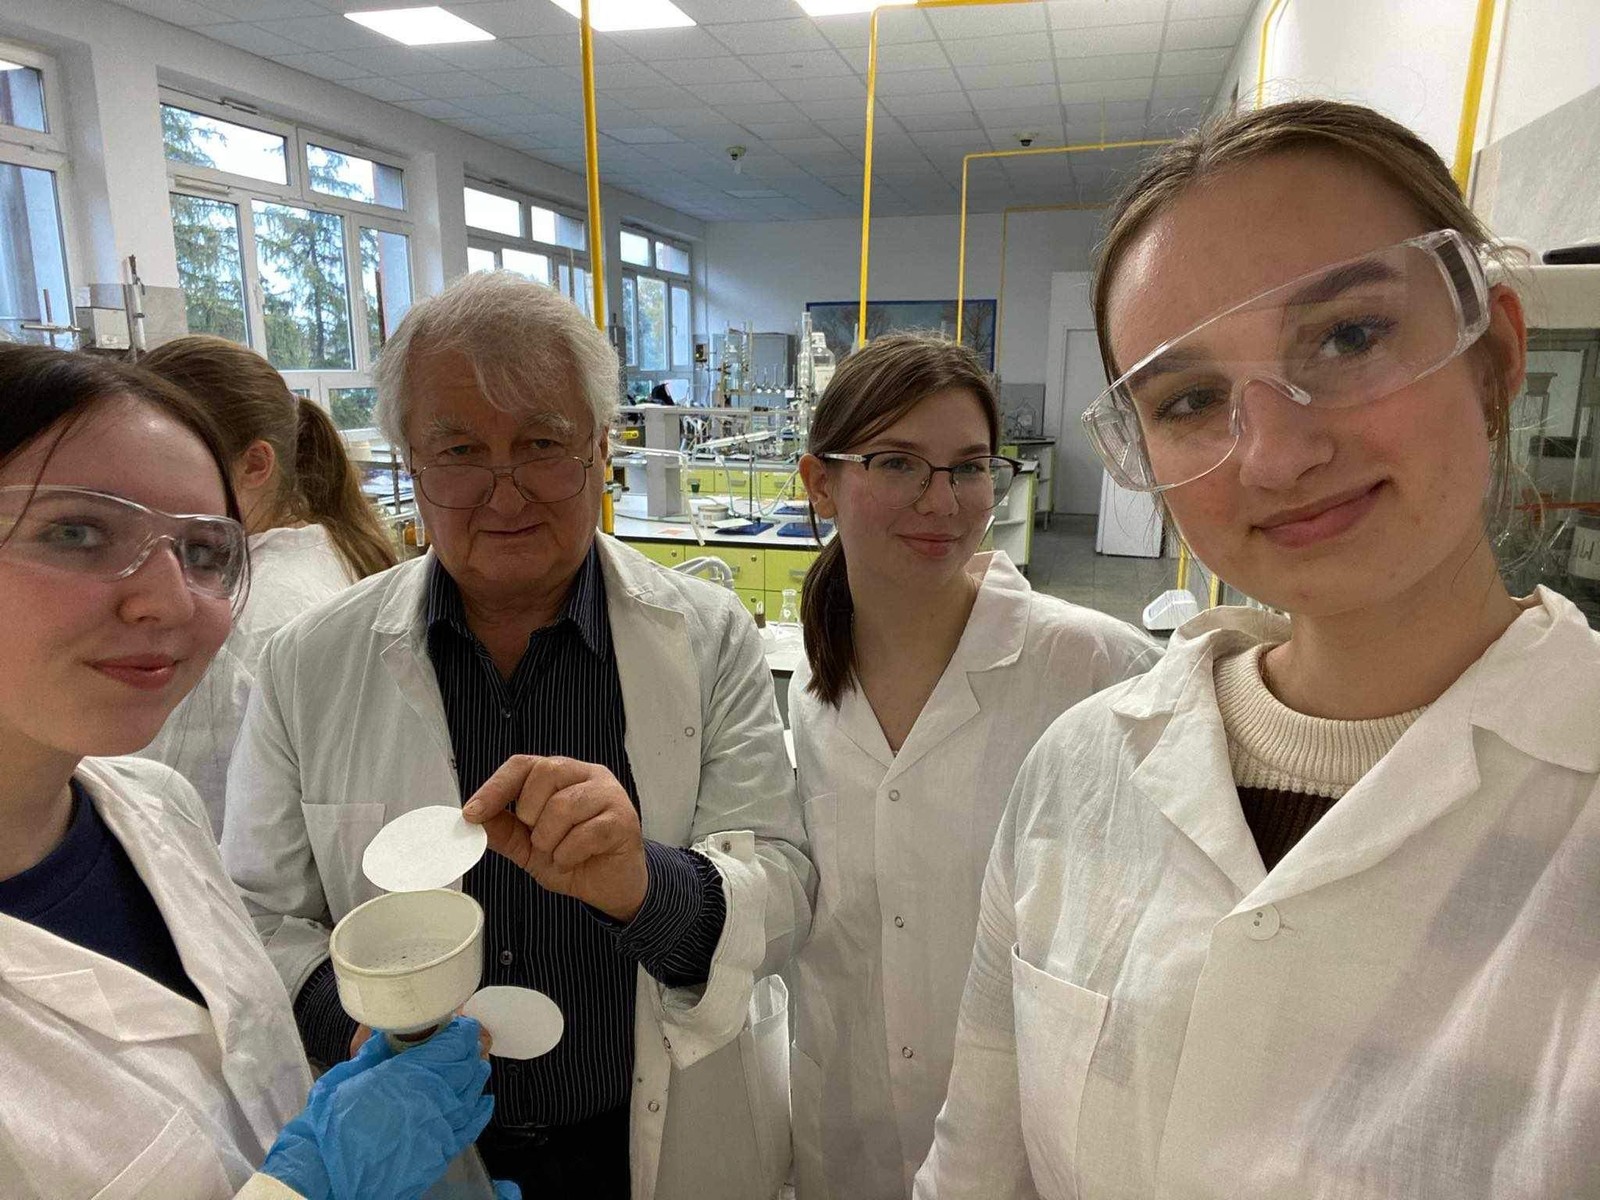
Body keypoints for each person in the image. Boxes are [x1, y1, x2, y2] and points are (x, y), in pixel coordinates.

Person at [914, 99, 1600, 1200]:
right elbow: (973, 1172)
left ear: (1496, 353)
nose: (1276, 455)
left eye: (1349, 337)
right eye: (1191, 398)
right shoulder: (1077, 771)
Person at [223, 270, 814, 1200]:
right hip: (418, 1150)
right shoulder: (309, 662)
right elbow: (255, 915)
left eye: (543, 445)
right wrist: (358, 1023)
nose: (505, 497)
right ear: (411, 465)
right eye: (459, 451)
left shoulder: (707, 637)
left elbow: (784, 885)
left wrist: (643, 882)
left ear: (601, 450)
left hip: (654, 1140)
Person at [0, 344, 506, 1200]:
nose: (169, 599)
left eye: (202, 551)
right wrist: (317, 1185)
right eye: (76, 532)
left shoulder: (158, 811)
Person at [786, 333, 1158, 1200]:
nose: (943, 501)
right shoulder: (809, 687)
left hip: (1023, 1144)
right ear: (819, 483)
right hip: (844, 1125)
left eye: (969, 467)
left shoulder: (1096, 669)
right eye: (897, 463)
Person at [136, 335, 396, 836]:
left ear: (256, 464)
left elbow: (174, 815)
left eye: (167, 463)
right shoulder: (332, 547)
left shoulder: (240, 619)